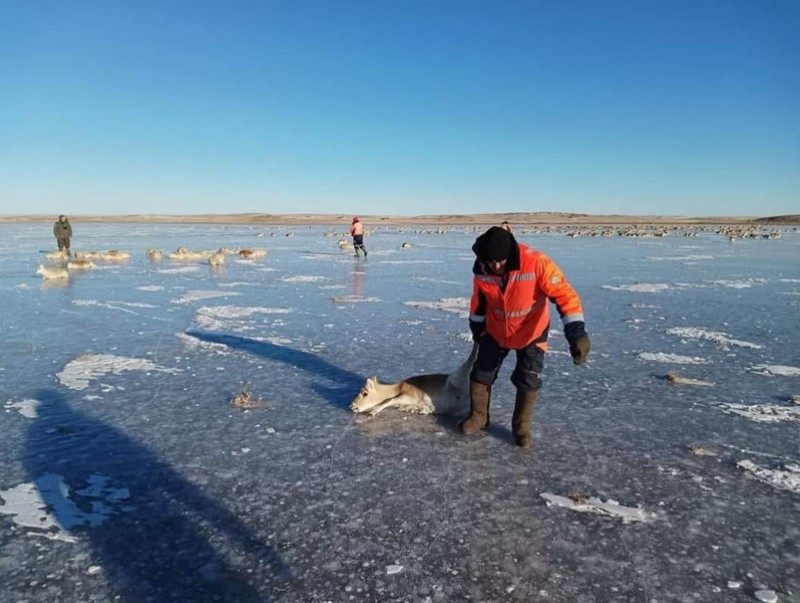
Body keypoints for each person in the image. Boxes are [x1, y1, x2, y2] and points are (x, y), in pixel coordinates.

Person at [462, 226, 590, 447]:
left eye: (500, 261)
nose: (496, 266)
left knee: (528, 379)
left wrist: (576, 332)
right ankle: (479, 417)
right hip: (495, 331)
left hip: (531, 332)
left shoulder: (537, 262)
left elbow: (565, 295)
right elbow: (478, 302)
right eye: (491, 262)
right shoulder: (482, 268)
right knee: (480, 374)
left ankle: (521, 427)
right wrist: (477, 327)